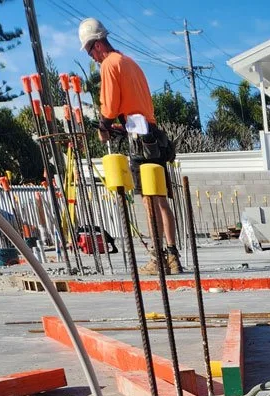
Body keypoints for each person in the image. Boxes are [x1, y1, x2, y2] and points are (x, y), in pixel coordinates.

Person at [78, 17, 183, 274]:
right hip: (153, 135)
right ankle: (172, 257)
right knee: (161, 199)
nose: (92, 58)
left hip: (139, 141)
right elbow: (138, 108)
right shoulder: (130, 62)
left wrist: (104, 127)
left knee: (148, 200)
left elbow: (110, 105)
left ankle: (158, 259)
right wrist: (121, 127)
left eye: (90, 52)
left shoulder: (109, 64)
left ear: (97, 44)